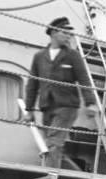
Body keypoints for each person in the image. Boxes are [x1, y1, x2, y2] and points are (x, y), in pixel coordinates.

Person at [23, 17, 98, 170]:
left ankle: (51, 177)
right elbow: (32, 84)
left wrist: (90, 103)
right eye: (65, 33)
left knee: (53, 143)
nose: (68, 36)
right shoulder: (39, 56)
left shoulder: (73, 56)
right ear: (54, 33)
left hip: (67, 107)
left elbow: (84, 80)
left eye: (70, 34)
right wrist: (29, 109)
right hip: (47, 107)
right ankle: (74, 173)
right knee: (52, 145)